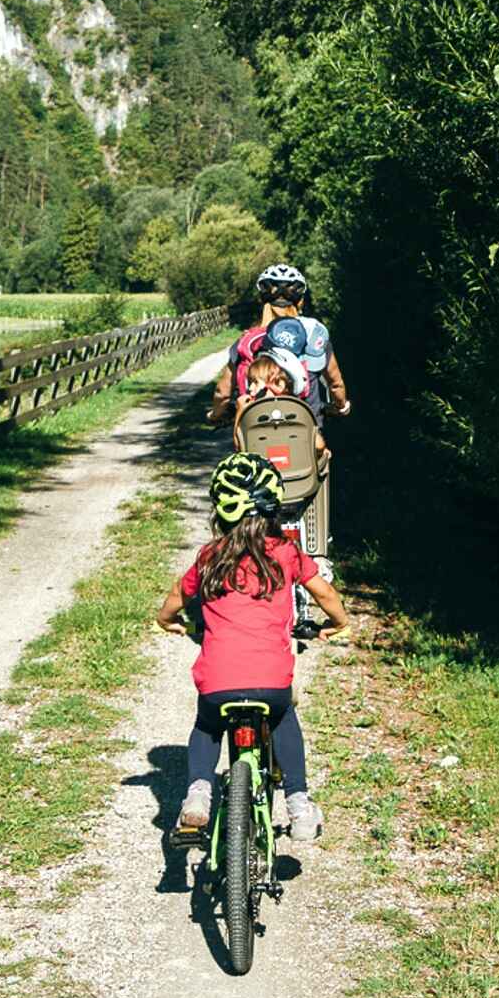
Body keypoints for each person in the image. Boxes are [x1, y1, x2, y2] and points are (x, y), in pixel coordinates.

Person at [154, 452, 351, 841]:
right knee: (283, 718)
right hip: (271, 683)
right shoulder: (287, 553)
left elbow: (178, 595)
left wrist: (167, 621)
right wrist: (338, 623)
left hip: (218, 683)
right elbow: (324, 594)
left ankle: (197, 793)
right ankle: (298, 802)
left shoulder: (210, 556)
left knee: (207, 726)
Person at [206, 261, 352, 433]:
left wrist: (216, 415)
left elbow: (222, 392)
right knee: (322, 455)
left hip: (255, 427)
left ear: (262, 300)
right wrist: (340, 406)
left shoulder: (247, 341)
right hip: (305, 429)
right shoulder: (314, 336)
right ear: (300, 302)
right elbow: (335, 384)